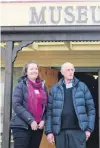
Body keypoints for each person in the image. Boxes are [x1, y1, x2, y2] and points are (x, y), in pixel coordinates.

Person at [45, 62, 95, 148]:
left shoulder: (82, 87)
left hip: (78, 132)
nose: (71, 72)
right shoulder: (55, 89)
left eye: (72, 70)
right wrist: (49, 132)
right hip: (60, 132)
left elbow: (91, 109)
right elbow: (49, 112)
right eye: (68, 70)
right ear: (62, 72)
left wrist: (89, 130)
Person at [10, 61, 48, 148]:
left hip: (37, 127)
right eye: (31, 69)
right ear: (26, 72)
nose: (34, 71)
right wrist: (30, 120)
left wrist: (43, 120)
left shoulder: (42, 86)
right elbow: (16, 105)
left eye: (36, 69)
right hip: (22, 126)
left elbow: (46, 106)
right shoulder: (21, 86)